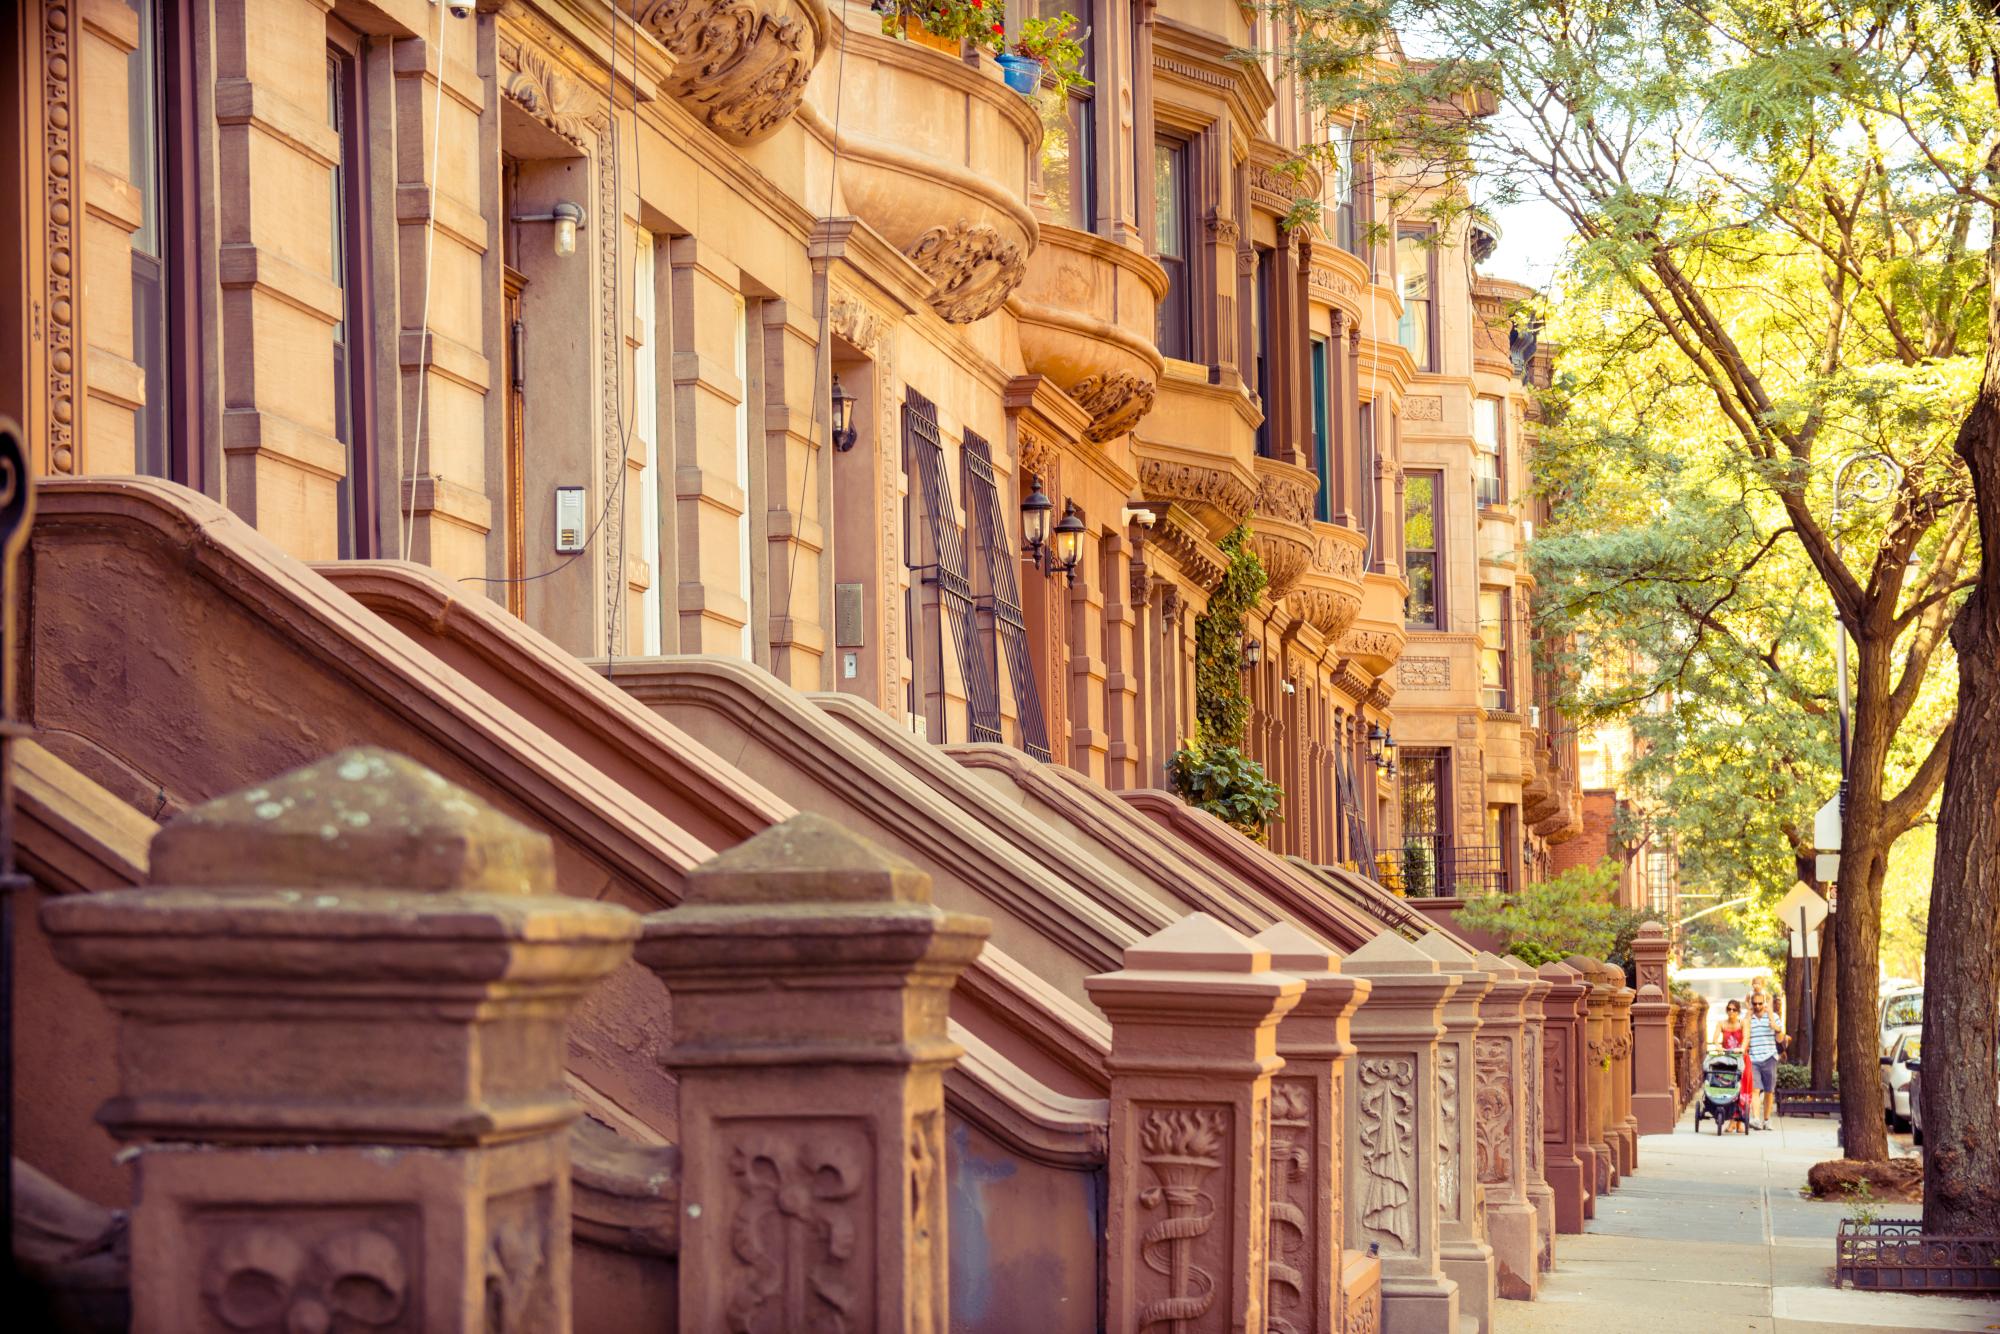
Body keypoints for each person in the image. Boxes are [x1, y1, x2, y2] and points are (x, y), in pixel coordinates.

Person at [1746, 993, 1787, 1129]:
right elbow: (1743, 1033)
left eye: (1760, 1003)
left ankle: (1767, 1119)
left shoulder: (1773, 1017)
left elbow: (1780, 1039)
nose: (1757, 1006)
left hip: (1769, 1057)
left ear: (1764, 1003)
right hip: (1753, 1058)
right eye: (1755, 1004)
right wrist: (1747, 1011)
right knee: (1755, 1089)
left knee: (1769, 1090)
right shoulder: (1748, 1018)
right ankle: (1756, 1119)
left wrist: (1775, 1027)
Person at [1716, 1000, 1751, 1133]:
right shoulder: (1721, 1023)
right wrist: (1718, 1045)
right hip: (1728, 1061)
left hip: (1742, 1060)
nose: (1731, 1012)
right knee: (1729, 1087)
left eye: (1734, 1009)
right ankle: (1732, 1121)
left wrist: (1741, 1048)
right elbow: (1715, 1038)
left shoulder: (1743, 1023)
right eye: (1729, 1009)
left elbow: (1746, 1037)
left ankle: (1737, 1122)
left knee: (1742, 1089)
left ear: (1738, 1011)